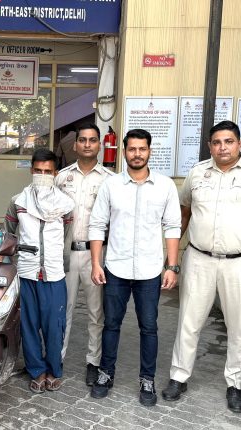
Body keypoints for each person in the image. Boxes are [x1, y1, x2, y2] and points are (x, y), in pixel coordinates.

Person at [162, 120, 241, 413]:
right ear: (210, 146)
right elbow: (183, 214)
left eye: (229, 141)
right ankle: (178, 377)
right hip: (199, 259)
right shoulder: (197, 173)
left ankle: (235, 384)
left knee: (239, 327)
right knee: (188, 322)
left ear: (240, 144)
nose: (223, 148)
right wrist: (171, 259)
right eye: (217, 142)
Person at [87, 129, 181, 405]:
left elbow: (172, 226)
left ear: (149, 150)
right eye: (132, 149)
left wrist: (172, 266)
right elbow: (97, 225)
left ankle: (147, 380)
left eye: (142, 149)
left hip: (150, 271)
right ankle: (106, 373)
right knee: (111, 324)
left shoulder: (165, 186)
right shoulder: (111, 185)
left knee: (149, 327)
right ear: (124, 152)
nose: (137, 154)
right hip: (115, 268)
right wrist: (96, 263)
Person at [4, 148, 75, 394]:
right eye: (38, 171)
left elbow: (66, 237)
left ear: (55, 173)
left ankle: (54, 369)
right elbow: (9, 235)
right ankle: (37, 370)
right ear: (31, 171)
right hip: (26, 272)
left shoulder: (66, 204)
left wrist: (59, 261)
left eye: (47, 171)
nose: (42, 175)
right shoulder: (18, 202)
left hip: (54, 274)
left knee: (55, 327)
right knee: (29, 325)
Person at [55, 123, 114, 387]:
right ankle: (57, 358)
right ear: (75, 145)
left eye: (92, 140)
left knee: (96, 312)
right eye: (82, 140)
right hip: (67, 254)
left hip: (96, 255)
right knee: (62, 310)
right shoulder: (61, 178)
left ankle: (93, 361)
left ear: (99, 144)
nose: (87, 144)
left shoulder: (111, 180)